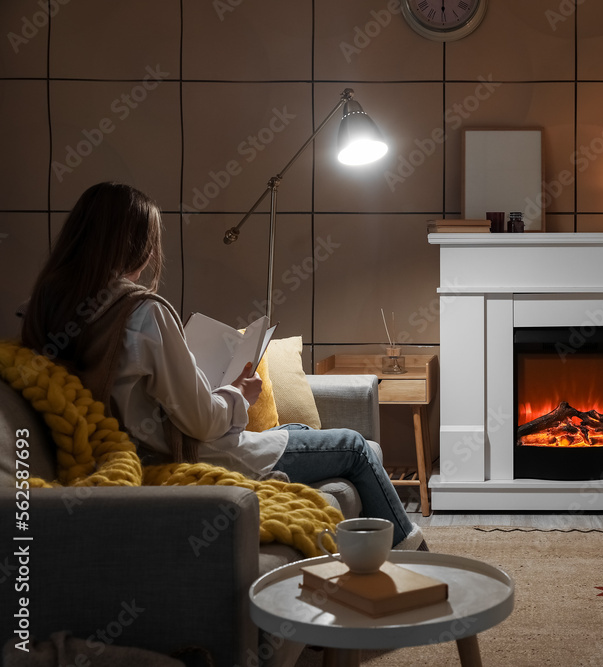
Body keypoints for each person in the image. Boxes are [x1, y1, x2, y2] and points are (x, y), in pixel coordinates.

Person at [20, 181, 423, 550]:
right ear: (137, 245)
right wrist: (238, 395)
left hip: (139, 450)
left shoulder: (44, 311)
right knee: (355, 446)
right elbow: (203, 423)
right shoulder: (141, 313)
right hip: (191, 454)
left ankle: (365, 568)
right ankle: (420, 561)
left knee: (313, 435)